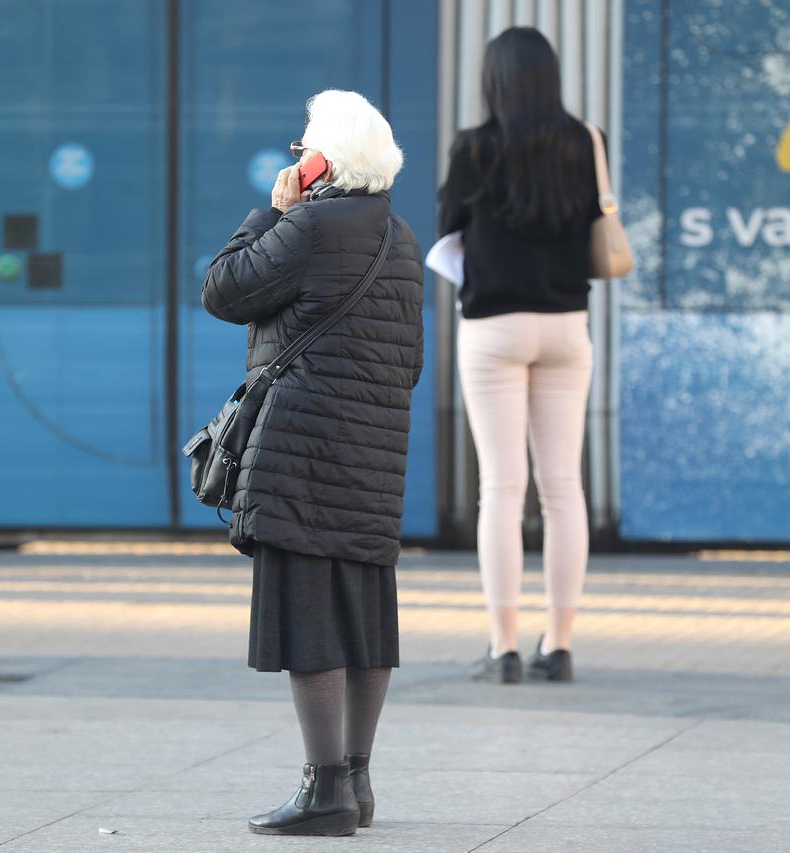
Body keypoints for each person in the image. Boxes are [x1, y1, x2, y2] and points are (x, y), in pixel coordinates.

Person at [201, 90, 425, 836]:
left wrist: (272, 209)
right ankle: (357, 781)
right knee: (363, 614)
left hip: (301, 449)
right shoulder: (400, 237)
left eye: (304, 146)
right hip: (373, 449)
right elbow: (410, 361)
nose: (297, 157)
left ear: (328, 158)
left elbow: (223, 290)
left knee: (310, 620)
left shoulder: (308, 226)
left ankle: (323, 788)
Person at [438, 27, 614, 683]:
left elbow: (447, 226)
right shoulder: (585, 140)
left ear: (494, 80)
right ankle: (560, 644)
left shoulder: (474, 148)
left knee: (502, 490)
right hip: (567, 325)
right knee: (564, 489)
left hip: (493, 328)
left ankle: (503, 647)